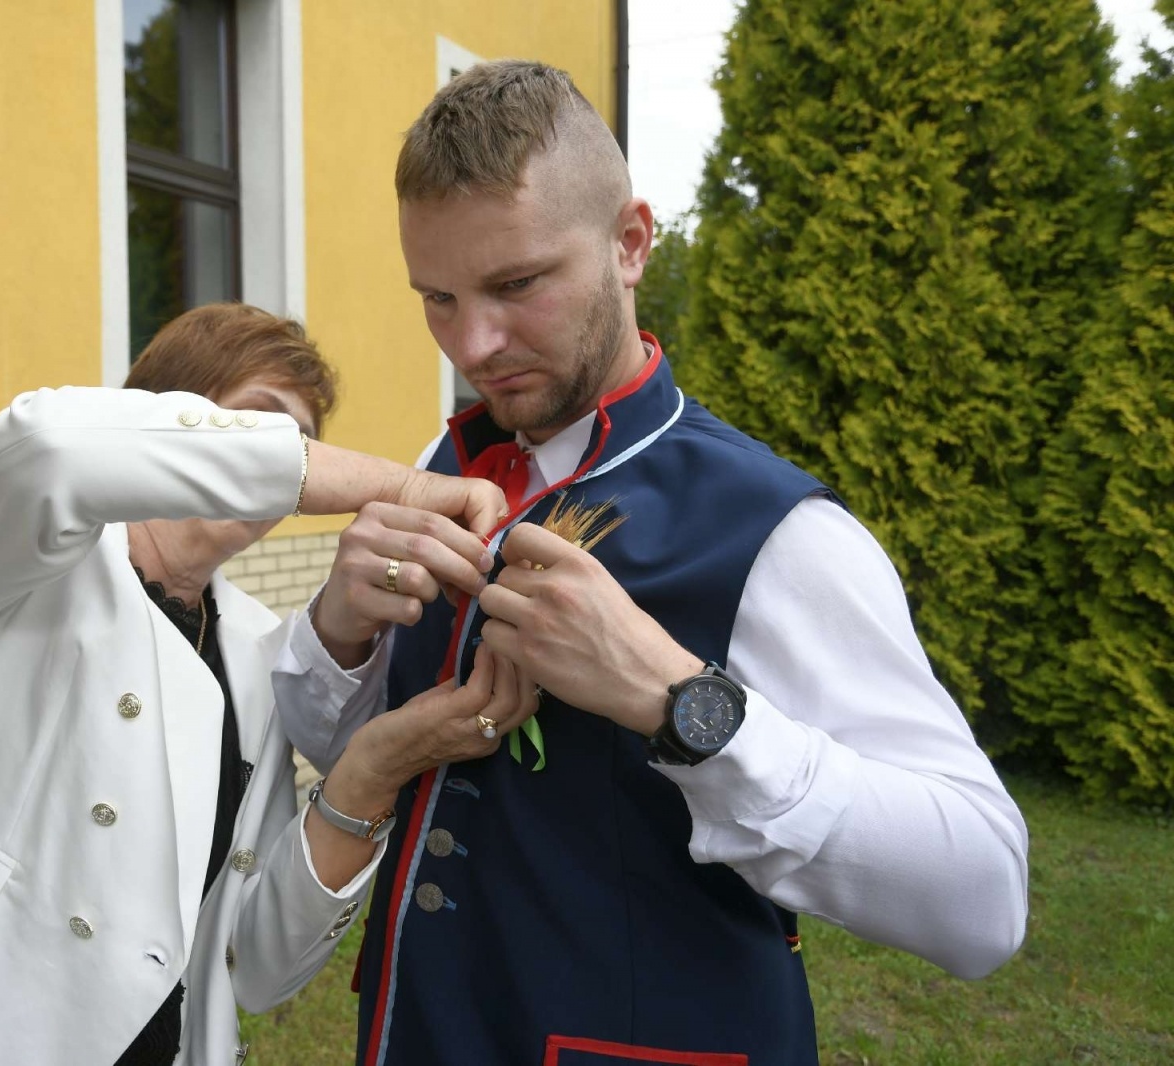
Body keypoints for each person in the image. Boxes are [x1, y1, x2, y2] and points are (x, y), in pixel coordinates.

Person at [273, 61, 1030, 1065]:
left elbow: (982, 899)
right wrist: (339, 628)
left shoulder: (778, 532)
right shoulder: (439, 466)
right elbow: (362, 751)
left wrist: (683, 702)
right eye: (437, 298)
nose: (474, 342)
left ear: (630, 242)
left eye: (515, 285)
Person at [0, 302, 536, 1066]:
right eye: (257, 429)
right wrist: (403, 485)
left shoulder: (258, 649)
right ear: (159, 419)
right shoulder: (29, 560)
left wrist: (366, 776)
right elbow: (46, 445)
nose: (280, 466)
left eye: (300, 443)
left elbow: (253, 963)